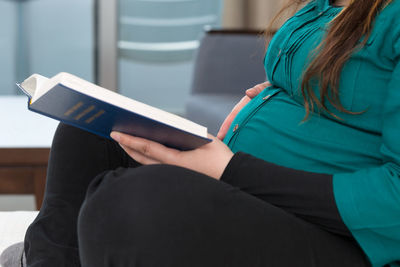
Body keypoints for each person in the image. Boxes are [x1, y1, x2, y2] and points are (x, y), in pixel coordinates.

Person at [24, 0, 400, 266]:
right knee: (93, 134)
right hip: (259, 191)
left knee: (129, 203)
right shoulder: (330, 5)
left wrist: (228, 169)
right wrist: (282, 90)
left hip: (346, 239)